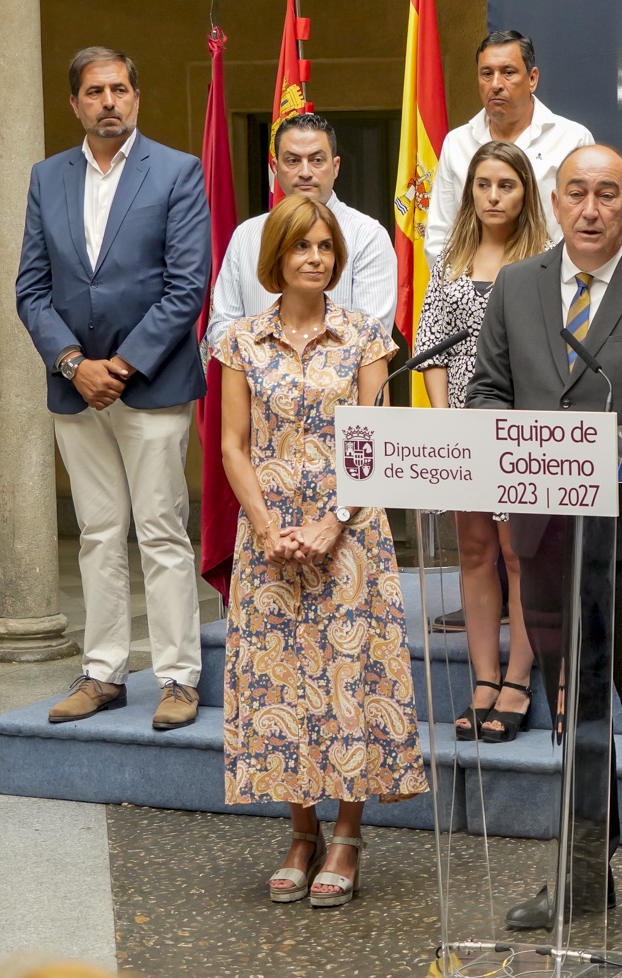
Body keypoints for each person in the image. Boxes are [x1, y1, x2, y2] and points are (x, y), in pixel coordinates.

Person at [469, 144, 622, 944]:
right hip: (545, 539)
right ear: (557, 197)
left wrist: (599, 452)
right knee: (572, 716)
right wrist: (508, 440)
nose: (588, 208)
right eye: (574, 192)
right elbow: (485, 392)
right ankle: (583, 878)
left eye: (605, 194)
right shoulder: (517, 285)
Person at [214, 193, 428, 906]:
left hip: (350, 537)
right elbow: (232, 446)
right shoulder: (241, 339)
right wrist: (269, 526)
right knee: (281, 682)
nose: (315, 258)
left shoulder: (366, 335)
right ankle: (300, 832)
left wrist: (333, 522)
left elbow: (375, 442)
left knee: (348, 682)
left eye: (326, 248)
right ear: (275, 257)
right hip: (269, 542)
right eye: (302, 246)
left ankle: (346, 834)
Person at [16, 47, 209, 732]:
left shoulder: (178, 172)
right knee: (98, 533)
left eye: (120, 89)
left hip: (150, 387)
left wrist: (120, 367)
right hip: (76, 390)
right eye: (95, 91)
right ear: (74, 103)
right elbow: (31, 288)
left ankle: (178, 677)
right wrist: (74, 364)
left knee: (160, 531)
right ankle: (102, 674)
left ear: (137, 97)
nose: (109, 102)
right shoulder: (48, 177)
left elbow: (188, 285)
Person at [416, 140, 552, 742]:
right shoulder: (450, 258)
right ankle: (484, 680)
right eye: (483, 185)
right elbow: (431, 345)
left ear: (526, 193)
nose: (494, 196)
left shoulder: (547, 259)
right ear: (469, 192)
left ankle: (519, 682)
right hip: (462, 433)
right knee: (474, 554)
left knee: (521, 556)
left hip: (519, 432)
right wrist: (444, 423)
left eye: (506, 185)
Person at [207, 112, 397, 352]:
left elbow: (372, 337)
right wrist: (270, 371)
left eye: (317, 160)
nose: (305, 172)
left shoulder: (368, 235)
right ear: (275, 167)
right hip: (258, 385)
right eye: (293, 161)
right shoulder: (246, 235)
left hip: (339, 387)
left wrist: (303, 375)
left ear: (336, 166)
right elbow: (222, 327)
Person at [425, 29, 594, 270]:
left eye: (508, 73)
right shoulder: (457, 142)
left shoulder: (572, 140)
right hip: (474, 291)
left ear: (532, 78)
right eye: (486, 74)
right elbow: (441, 233)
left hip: (552, 288)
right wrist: (464, 292)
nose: (496, 84)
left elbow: (585, 226)